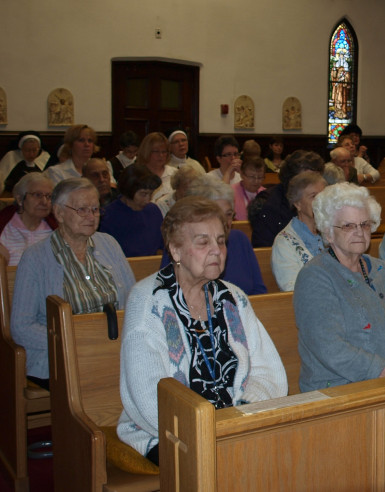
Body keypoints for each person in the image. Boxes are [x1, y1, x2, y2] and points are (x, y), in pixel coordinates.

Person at [117, 197, 287, 465]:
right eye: (203, 242)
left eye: (220, 241)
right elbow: (148, 393)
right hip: (169, 432)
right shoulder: (149, 300)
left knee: (289, 447)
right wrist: (205, 430)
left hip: (236, 423)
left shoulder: (233, 298)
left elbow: (268, 369)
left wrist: (242, 415)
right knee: (226, 461)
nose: (217, 250)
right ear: (175, 250)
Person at [294, 182, 385, 391]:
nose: (359, 232)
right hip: (340, 388)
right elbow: (330, 348)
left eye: (365, 224)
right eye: (348, 226)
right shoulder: (315, 277)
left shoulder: (383, 270)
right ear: (328, 232)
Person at [10, 178, 136, 389]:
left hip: (112, 350)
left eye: (95, 209)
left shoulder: (109, 244)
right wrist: (73, 341)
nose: (91, 216)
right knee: (105, 381)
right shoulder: (35, 258)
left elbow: (134, 301)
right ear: (59, 213)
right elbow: (22, 327)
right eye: (82, 210)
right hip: (62, 355)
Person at [0, 172, 57, 334]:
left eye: (49, 196)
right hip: (11, 305)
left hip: (52, 301)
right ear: (19, 198)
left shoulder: (56, 230)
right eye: (37, 195)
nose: (44, 201)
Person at [162, 174, 267, 295]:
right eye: (216, 216)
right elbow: (168, 291)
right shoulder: (181, 245)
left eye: (228, 214)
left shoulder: (240, 239)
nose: (225, 222)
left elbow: (259, 290)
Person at [249, 149, 325, 248]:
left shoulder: (324, 201)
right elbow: (264, 249)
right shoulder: (269, 204)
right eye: (308, 181)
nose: (315, 186)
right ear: (292, 179)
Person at [271, 171, 327, 291]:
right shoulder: (284, 242)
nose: (320, 201)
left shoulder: (333, 231)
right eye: (313, 196)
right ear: (297, 204)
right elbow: (291, 288)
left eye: (323, 196)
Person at [99, 164, 164, 258]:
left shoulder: (153, 211)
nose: (148, 199)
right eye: (143, 194)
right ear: (128, 190)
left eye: (151, 194)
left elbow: (161, 246)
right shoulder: (108, 215)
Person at [136, 131, 176, 203]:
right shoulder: (137, 174)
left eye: (164, 152)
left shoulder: (175, 173)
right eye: (156, 151)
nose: (161, 155)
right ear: (146, 151)